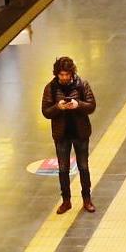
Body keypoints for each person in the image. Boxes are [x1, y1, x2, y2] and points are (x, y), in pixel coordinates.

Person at [41, 56, 97, 214]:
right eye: (61, 74)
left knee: (83, 167)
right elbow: (45, 111)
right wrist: (58, 107)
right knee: (63, 169)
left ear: (72, 73)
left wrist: (78, 105)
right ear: (57, 74)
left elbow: (91, 106)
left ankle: (87, 199)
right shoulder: (50, 88)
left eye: (67, 74)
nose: (64, 77)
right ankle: (66, 201)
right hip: (61, 135)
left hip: (80, 133)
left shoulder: (82, 85)